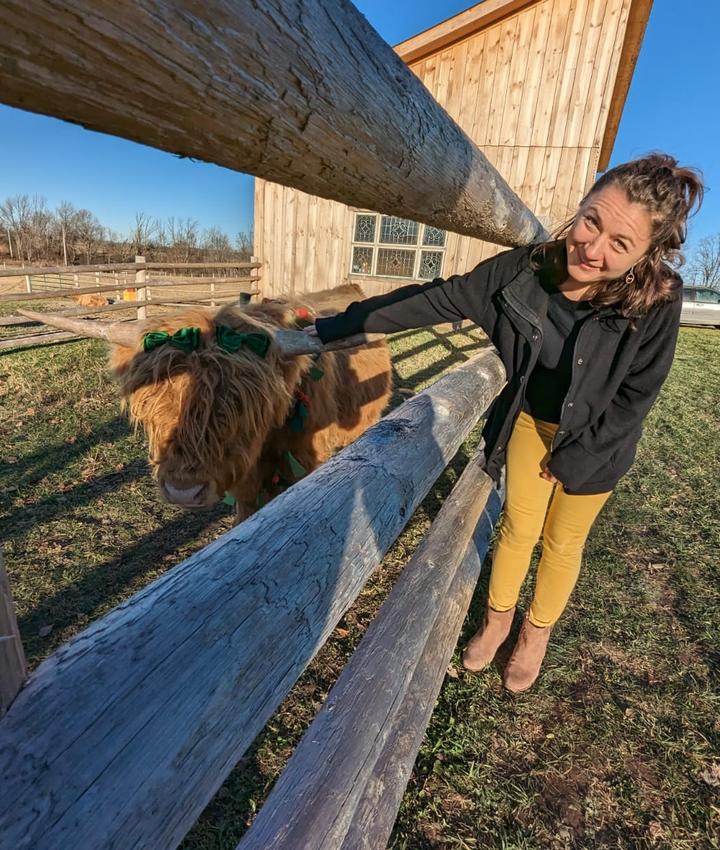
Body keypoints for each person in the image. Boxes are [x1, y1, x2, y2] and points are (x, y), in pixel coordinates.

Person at [304, 154, 703, 693]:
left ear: (646, 255)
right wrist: (336, 327)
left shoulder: (659, 299)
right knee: (518, 530)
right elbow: (436, 297)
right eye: (591, 221)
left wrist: (576, 459)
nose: (592, 248)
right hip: (531, 423)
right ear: (581, 208)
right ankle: (497, 623)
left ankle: (535, 636)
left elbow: (638, 393)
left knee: (563, 542)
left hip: (600, 443)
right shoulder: (524, 271)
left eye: (620, 244)